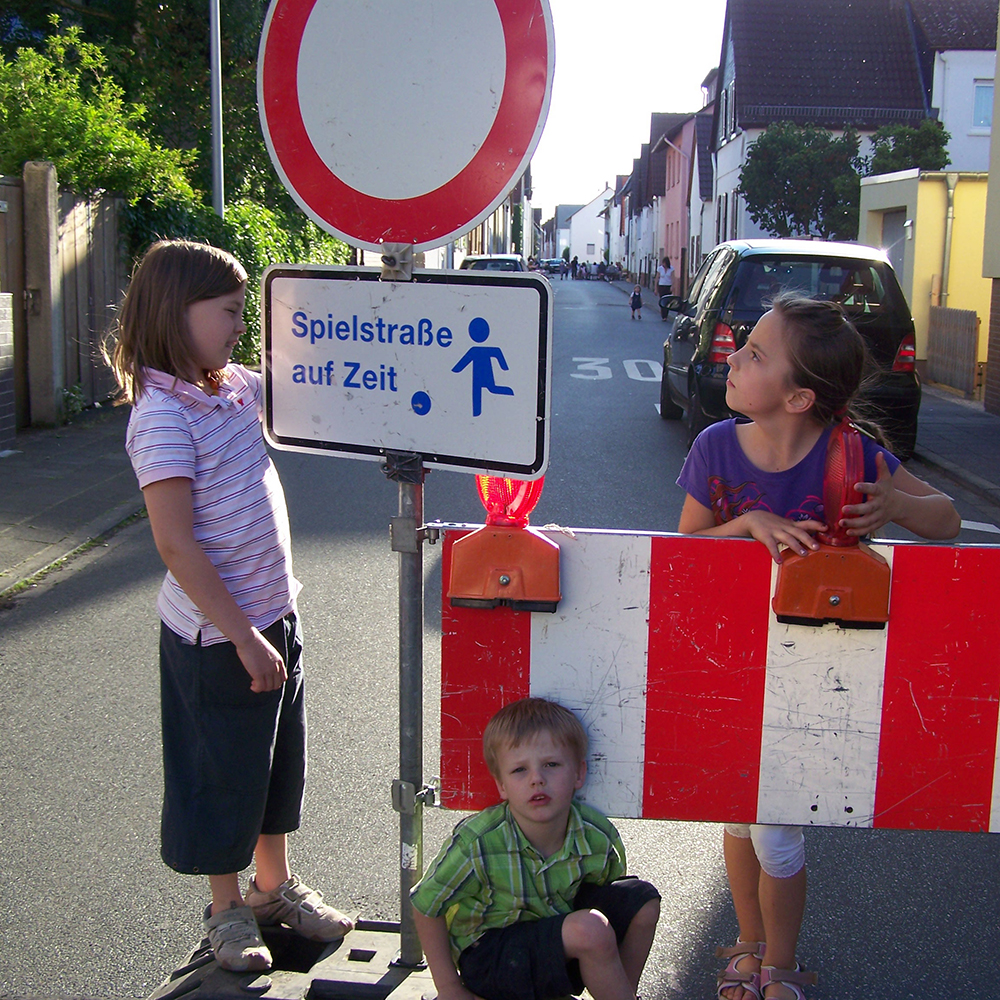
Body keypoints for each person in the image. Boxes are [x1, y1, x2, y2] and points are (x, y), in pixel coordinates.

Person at [676, 294, 960, 1000]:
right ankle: (747, 943)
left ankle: (781, 965)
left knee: (776, 828)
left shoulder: (855, 455)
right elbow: (681, 553)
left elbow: (949, 520)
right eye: (742, 347)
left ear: (799, 397)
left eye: (756, 354)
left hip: (818, 677)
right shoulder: (715, 446)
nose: (734, 357)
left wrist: (895, 507)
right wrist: (747, 522)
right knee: (739, 816)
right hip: (735, 664)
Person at [108, 240, 354, 973]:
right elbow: (177, 546)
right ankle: (227, 910)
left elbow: (307, 372)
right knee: (222, 773)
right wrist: (243, 636)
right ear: (174, 313)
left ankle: (273, 888)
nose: (240, 326)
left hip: (274, 613)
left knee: (276, 762)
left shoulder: (232, 387)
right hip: (219, 637)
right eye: (227, 312)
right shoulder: (159, 418)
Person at [411, 697, 660, 1000]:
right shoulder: (479, 842)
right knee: (590, 929)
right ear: (501, 785)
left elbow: (606, 893)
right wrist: (449, 988)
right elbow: (425, 905)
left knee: (642, 901)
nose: (537, 780)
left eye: (552, 765)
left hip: (557, 944)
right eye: (519, 771)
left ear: (579, 774)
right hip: (492, 959)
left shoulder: (597, 835)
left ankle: (619, 992)